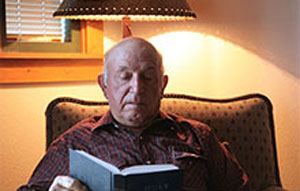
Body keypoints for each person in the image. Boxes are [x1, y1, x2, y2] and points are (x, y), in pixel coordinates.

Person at [18, 37, 249, 191]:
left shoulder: (198, 136)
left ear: (163, 85)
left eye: (148, 77)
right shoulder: (76, 142)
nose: (137, 88)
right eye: (125, 76)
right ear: (104, 85)